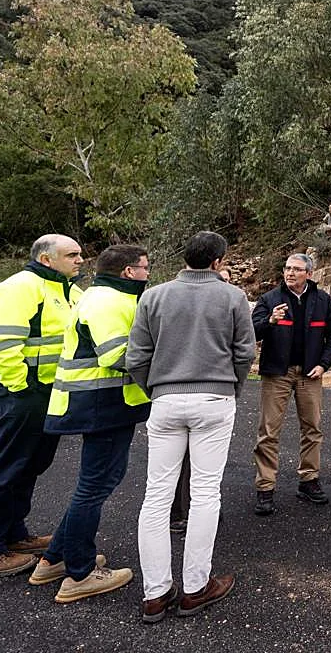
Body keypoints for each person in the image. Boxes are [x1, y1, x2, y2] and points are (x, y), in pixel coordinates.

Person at [127, 231, 254, 623]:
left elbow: (136, 357)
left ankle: (155, 594)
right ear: (217, 262)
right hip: (214, 399)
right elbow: (245, 352)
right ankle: (195, 587)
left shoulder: (154, 296)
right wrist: (231, 387)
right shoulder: (232, 298)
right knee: (204, 493)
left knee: (156, 496)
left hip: (164, 400)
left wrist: (157, 388)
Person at [30, 245, 151, 602]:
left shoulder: (102, 296)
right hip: (102, 406)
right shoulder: (109, 301)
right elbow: (117, 355)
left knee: (93, 483)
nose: (147, 273)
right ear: (128, 272)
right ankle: (80, 574)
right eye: (144, 267)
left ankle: (54, 559)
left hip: (101, 404)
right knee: (94, 486)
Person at [0, 234, 83, 578]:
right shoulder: (19, 288)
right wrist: (22, 388)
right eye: (71, 255)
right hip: (19, 394)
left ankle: (13, 536)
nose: (79, 260)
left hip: (49, 394)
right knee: (6, 469)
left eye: (79, 254)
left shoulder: (69, 291)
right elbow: (0, 344)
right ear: (46, 259)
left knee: (30, 466)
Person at [252, 253, 331, 515]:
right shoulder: (270, 299)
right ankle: (265, 487)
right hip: (276, 373)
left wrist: (323, 364)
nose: (290, 273)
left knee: (312, 428)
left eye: (297, 269)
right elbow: (251, 331)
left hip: (309, 374)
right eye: (287, 268)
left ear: (309, 274)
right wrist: (270, 321)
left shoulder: (323, 300)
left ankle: (309, 481)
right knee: (268, 431)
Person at [170, 268, 231, 535]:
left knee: (194, 464)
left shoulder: (164, 300)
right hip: (206, 393)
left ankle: (192, 511)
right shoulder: (190, 307)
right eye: (222, 280)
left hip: (174, 393)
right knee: (188, 462)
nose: (224, 286)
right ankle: (182, 514)